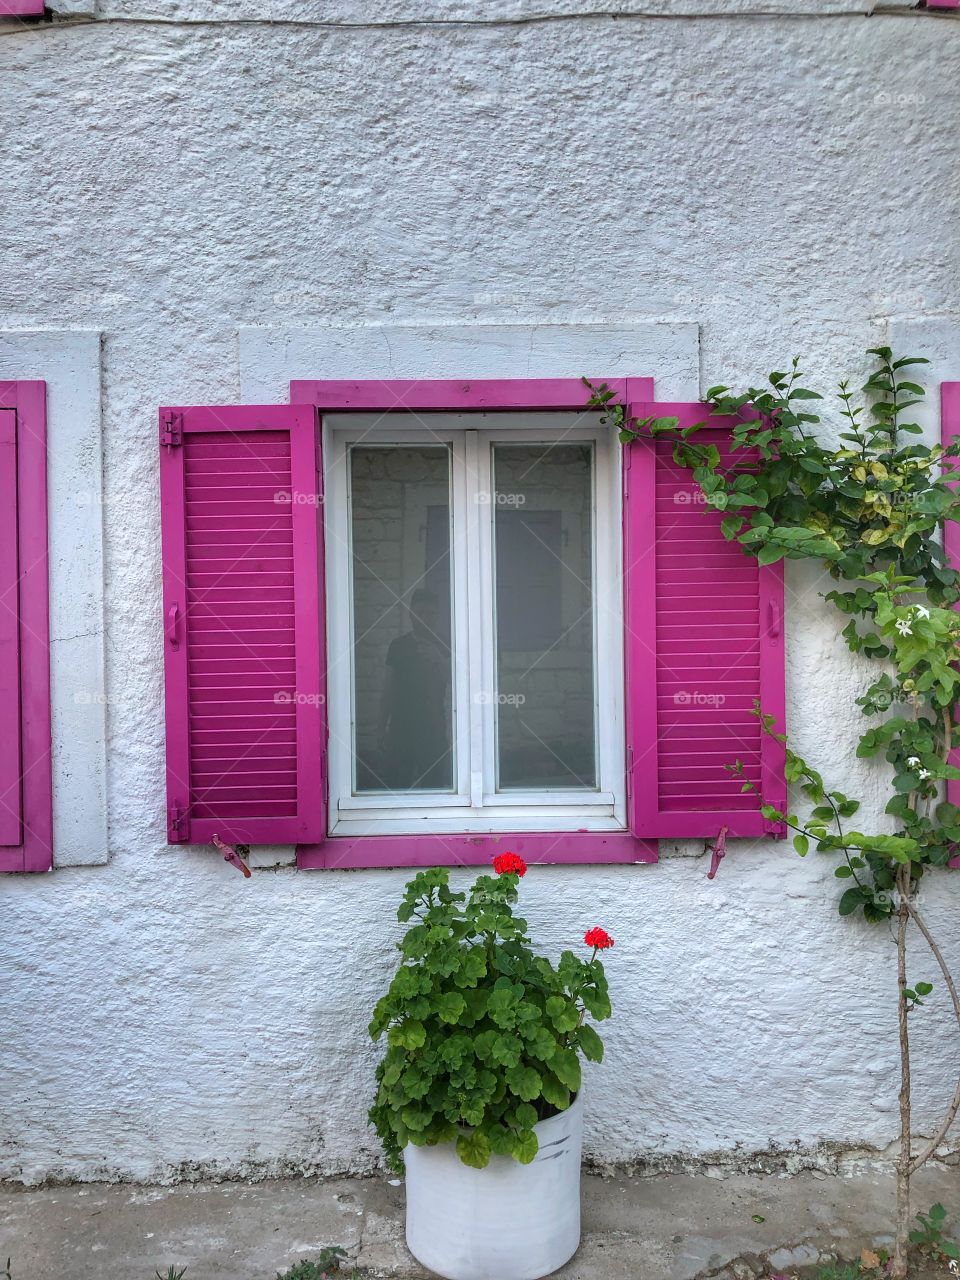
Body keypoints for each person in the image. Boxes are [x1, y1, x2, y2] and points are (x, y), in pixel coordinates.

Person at [377, 589, 452, 790]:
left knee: (434, 789)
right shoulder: (399, 646)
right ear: (411, 614)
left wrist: (439, 659)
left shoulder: (445, 644)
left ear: (437, 615)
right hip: (401, 729)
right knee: (397, 788)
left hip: (433, 729)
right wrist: (380, 727)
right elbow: (388, 688)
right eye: (420, 612)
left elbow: (458, 684)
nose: (425, 618)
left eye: (430, 613)